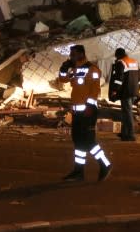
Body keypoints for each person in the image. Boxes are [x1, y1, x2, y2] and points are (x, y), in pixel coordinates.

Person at [57, 44, 112, 182]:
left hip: (88, 111)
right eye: (71, 55)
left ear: (82, 54)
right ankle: (78, 171)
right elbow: (62, 79)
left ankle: (105, 164)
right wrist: (64, 68)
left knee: (88, 141)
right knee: (78, 142)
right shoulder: (75, 69)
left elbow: (95, 89)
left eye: (74, 54)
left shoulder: (92, 69)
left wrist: (89, 106)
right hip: (77, 112)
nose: (72, 57)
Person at [108, 47, 140, 142]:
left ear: (118, 55)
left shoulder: (121, 63)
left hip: (126, 92)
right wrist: (138, 90)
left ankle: (131, 134)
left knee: (127, 113)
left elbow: (119, 79)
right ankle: (124, 133)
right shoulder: (134, 62)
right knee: (126, 112)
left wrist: (115, 90)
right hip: (133, 91)